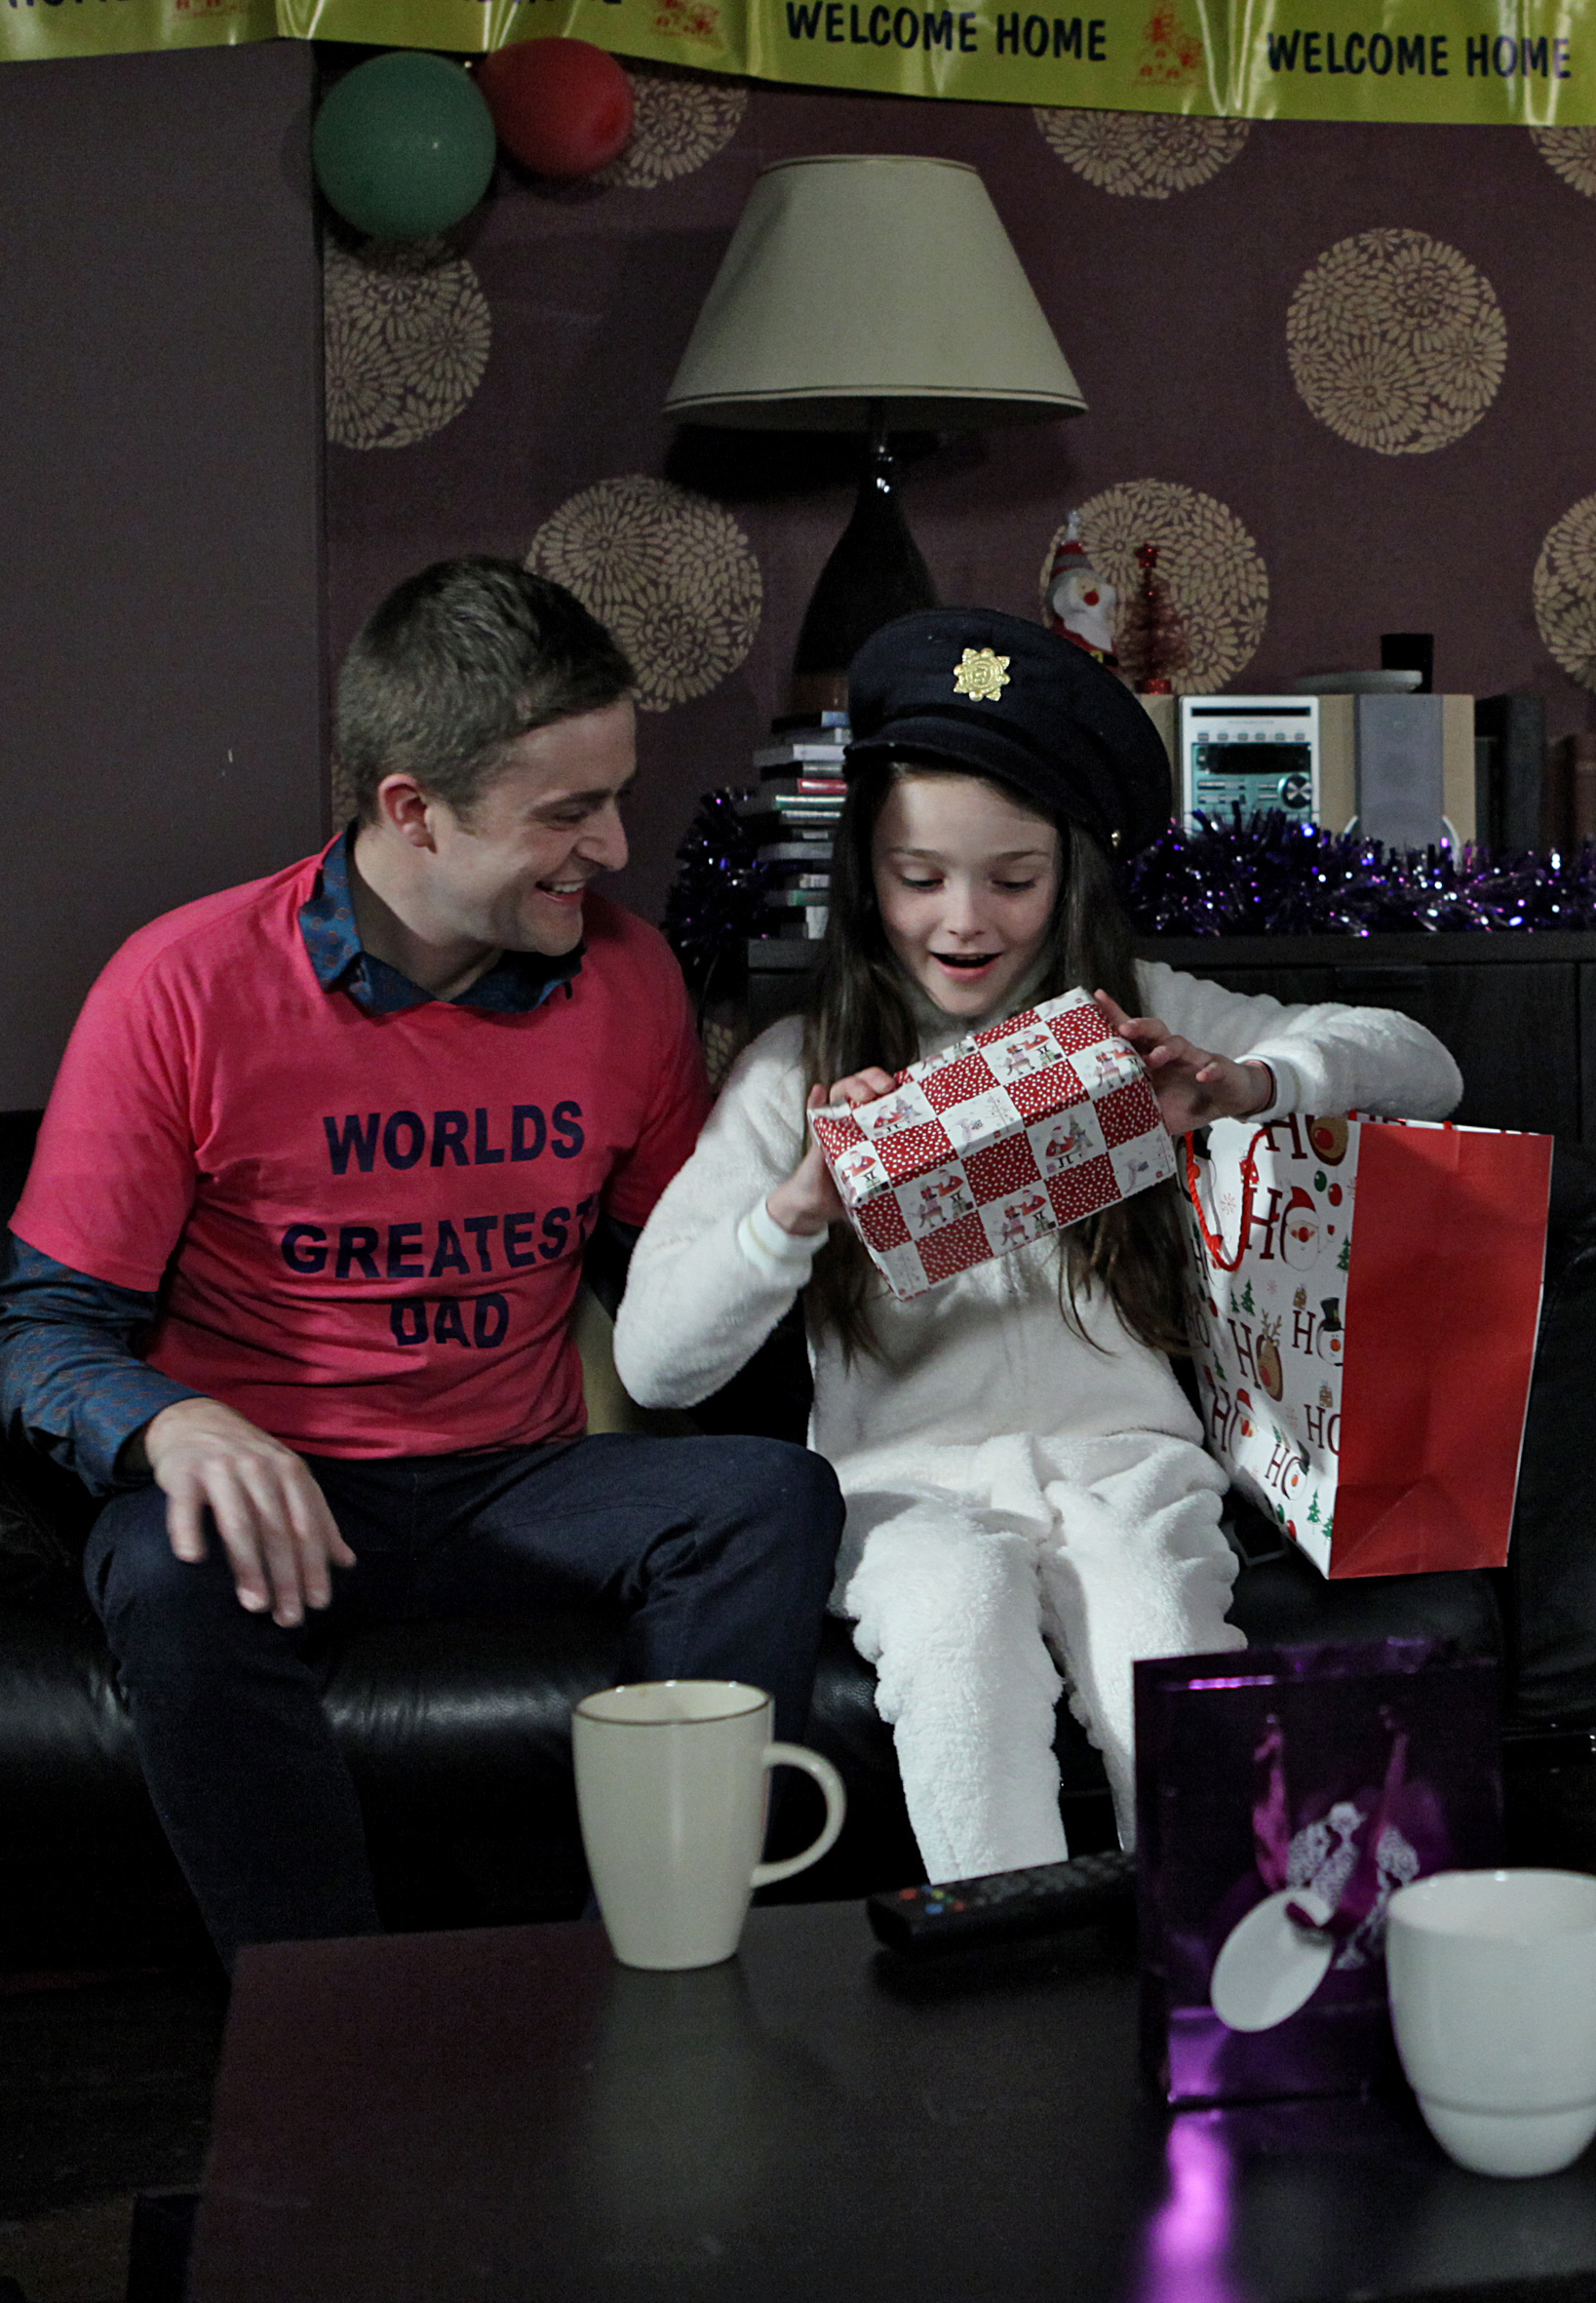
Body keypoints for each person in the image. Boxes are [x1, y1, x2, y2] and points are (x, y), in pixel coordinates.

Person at [0, 558, 845, 1959]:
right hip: (286, 1492)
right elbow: (37, 1334)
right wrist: (173, 1424)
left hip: (521, 1480)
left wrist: (847, 1222)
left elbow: (680, 1291)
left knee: (769, 1498)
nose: (614, 845)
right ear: (412, 810)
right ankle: (328, 2017)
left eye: (615, 796)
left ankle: (649, 1981)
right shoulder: (180, 986)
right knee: (157, 1556)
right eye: (565, 812)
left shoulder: (628, 978)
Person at [614, 608, 1461, 1882]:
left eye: (1012, 880)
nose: (964, 921)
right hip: (902, 1490)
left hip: (1130, 1466)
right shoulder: (799, 1070)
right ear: (866, 874)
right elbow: (652, 1360)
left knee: (1158, 1633)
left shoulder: (1141, 1012)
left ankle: (1205, 1956)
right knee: (957, 1626)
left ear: (1070, 876)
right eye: (919, 878)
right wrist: (796, 1209)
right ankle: (1005, 1958)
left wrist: (1245, 1083)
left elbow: (1422, 1064)